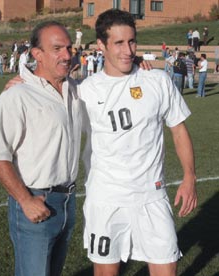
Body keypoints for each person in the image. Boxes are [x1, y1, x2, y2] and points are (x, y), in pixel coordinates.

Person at [79, 9, 197, 276]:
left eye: (132, 41)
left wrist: (189, 177)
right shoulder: (85, 91)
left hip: (151, 197)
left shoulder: (157, 80)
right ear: (101, 45)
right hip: (106, 200)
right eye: (119, 43)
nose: (128, 50)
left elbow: (178, 130)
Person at [0, 21, 83, 276]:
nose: (67, 55)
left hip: (68, 202)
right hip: (36, 201)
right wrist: (25, 200)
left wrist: (138, 63)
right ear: (37, 54)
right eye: (57, 48)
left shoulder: (74, 90)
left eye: (69, 48)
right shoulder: (17, 96)